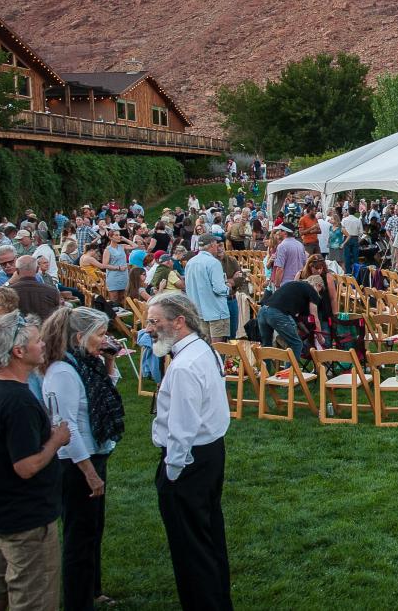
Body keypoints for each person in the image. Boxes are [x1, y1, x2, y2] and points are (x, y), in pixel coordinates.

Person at [0, 311, 70, 611]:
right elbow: (26, 467)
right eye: (38, 342)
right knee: (33, 599)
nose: (43, 346)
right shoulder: (18, 402)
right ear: (18, 351)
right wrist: (56, 439)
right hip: (26, 518)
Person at [146, 293, 232, 610]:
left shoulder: (184, 365)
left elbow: (182, 427)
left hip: (190, 460)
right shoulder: (202, 350)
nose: (149, 329)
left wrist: (172, 471)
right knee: (208, 535)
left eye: (155, 322)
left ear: (178, 322)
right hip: (210, 452)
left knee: (190, 546)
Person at [39, 306, 124, 611]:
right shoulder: (63, 371)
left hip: (95, 452)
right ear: (79, 337)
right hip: (76, 462)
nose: (105, 339)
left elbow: (104, 394)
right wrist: (89, 472)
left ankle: (92, 589)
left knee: (92, 528)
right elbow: (66, 426)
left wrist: (110, 359)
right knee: (79, 533)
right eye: (100, 334)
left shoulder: (87, 363)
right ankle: (77, 600)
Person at [256, 276, 324, 358]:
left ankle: (265, 370)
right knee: (296, 344)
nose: (319, 294)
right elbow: (314, 317)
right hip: (276, 313)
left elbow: (297, 319)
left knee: (266, 346)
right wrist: (320, 336)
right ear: (319, 285)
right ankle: (290, 371)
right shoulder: (312, 291)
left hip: (263, 311)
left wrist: (306, 331)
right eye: (321, 290)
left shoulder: (296, 286)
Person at [186, 234, 233, 339]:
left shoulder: (190, 262)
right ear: (212, 245)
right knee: (218, 350)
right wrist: (228, 287)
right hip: (216, 311)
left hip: (198, 311)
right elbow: (219, 289)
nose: (218, 247)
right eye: (216, 244)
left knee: (205, 347)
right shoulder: (213, 263)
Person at [10, 254, 62, 319]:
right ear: (37, 269)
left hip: (19, 328)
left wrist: (9, 283)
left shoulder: (10, 292)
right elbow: (58, 317)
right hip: (45, 328)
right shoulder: (52, 291)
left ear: (17, 271)